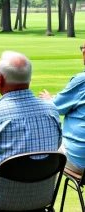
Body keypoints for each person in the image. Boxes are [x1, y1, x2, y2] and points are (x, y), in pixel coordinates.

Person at [0, 51, 62, 212]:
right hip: (41, 198)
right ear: (28, 78)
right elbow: (55, 146)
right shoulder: (52, 111)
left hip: (1, 203)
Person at [39, 43, 85, 175]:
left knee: (41, 144)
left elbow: (57, 107)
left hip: (79, 161)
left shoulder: (81, 80)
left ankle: (36, 192)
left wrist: (49, 99)